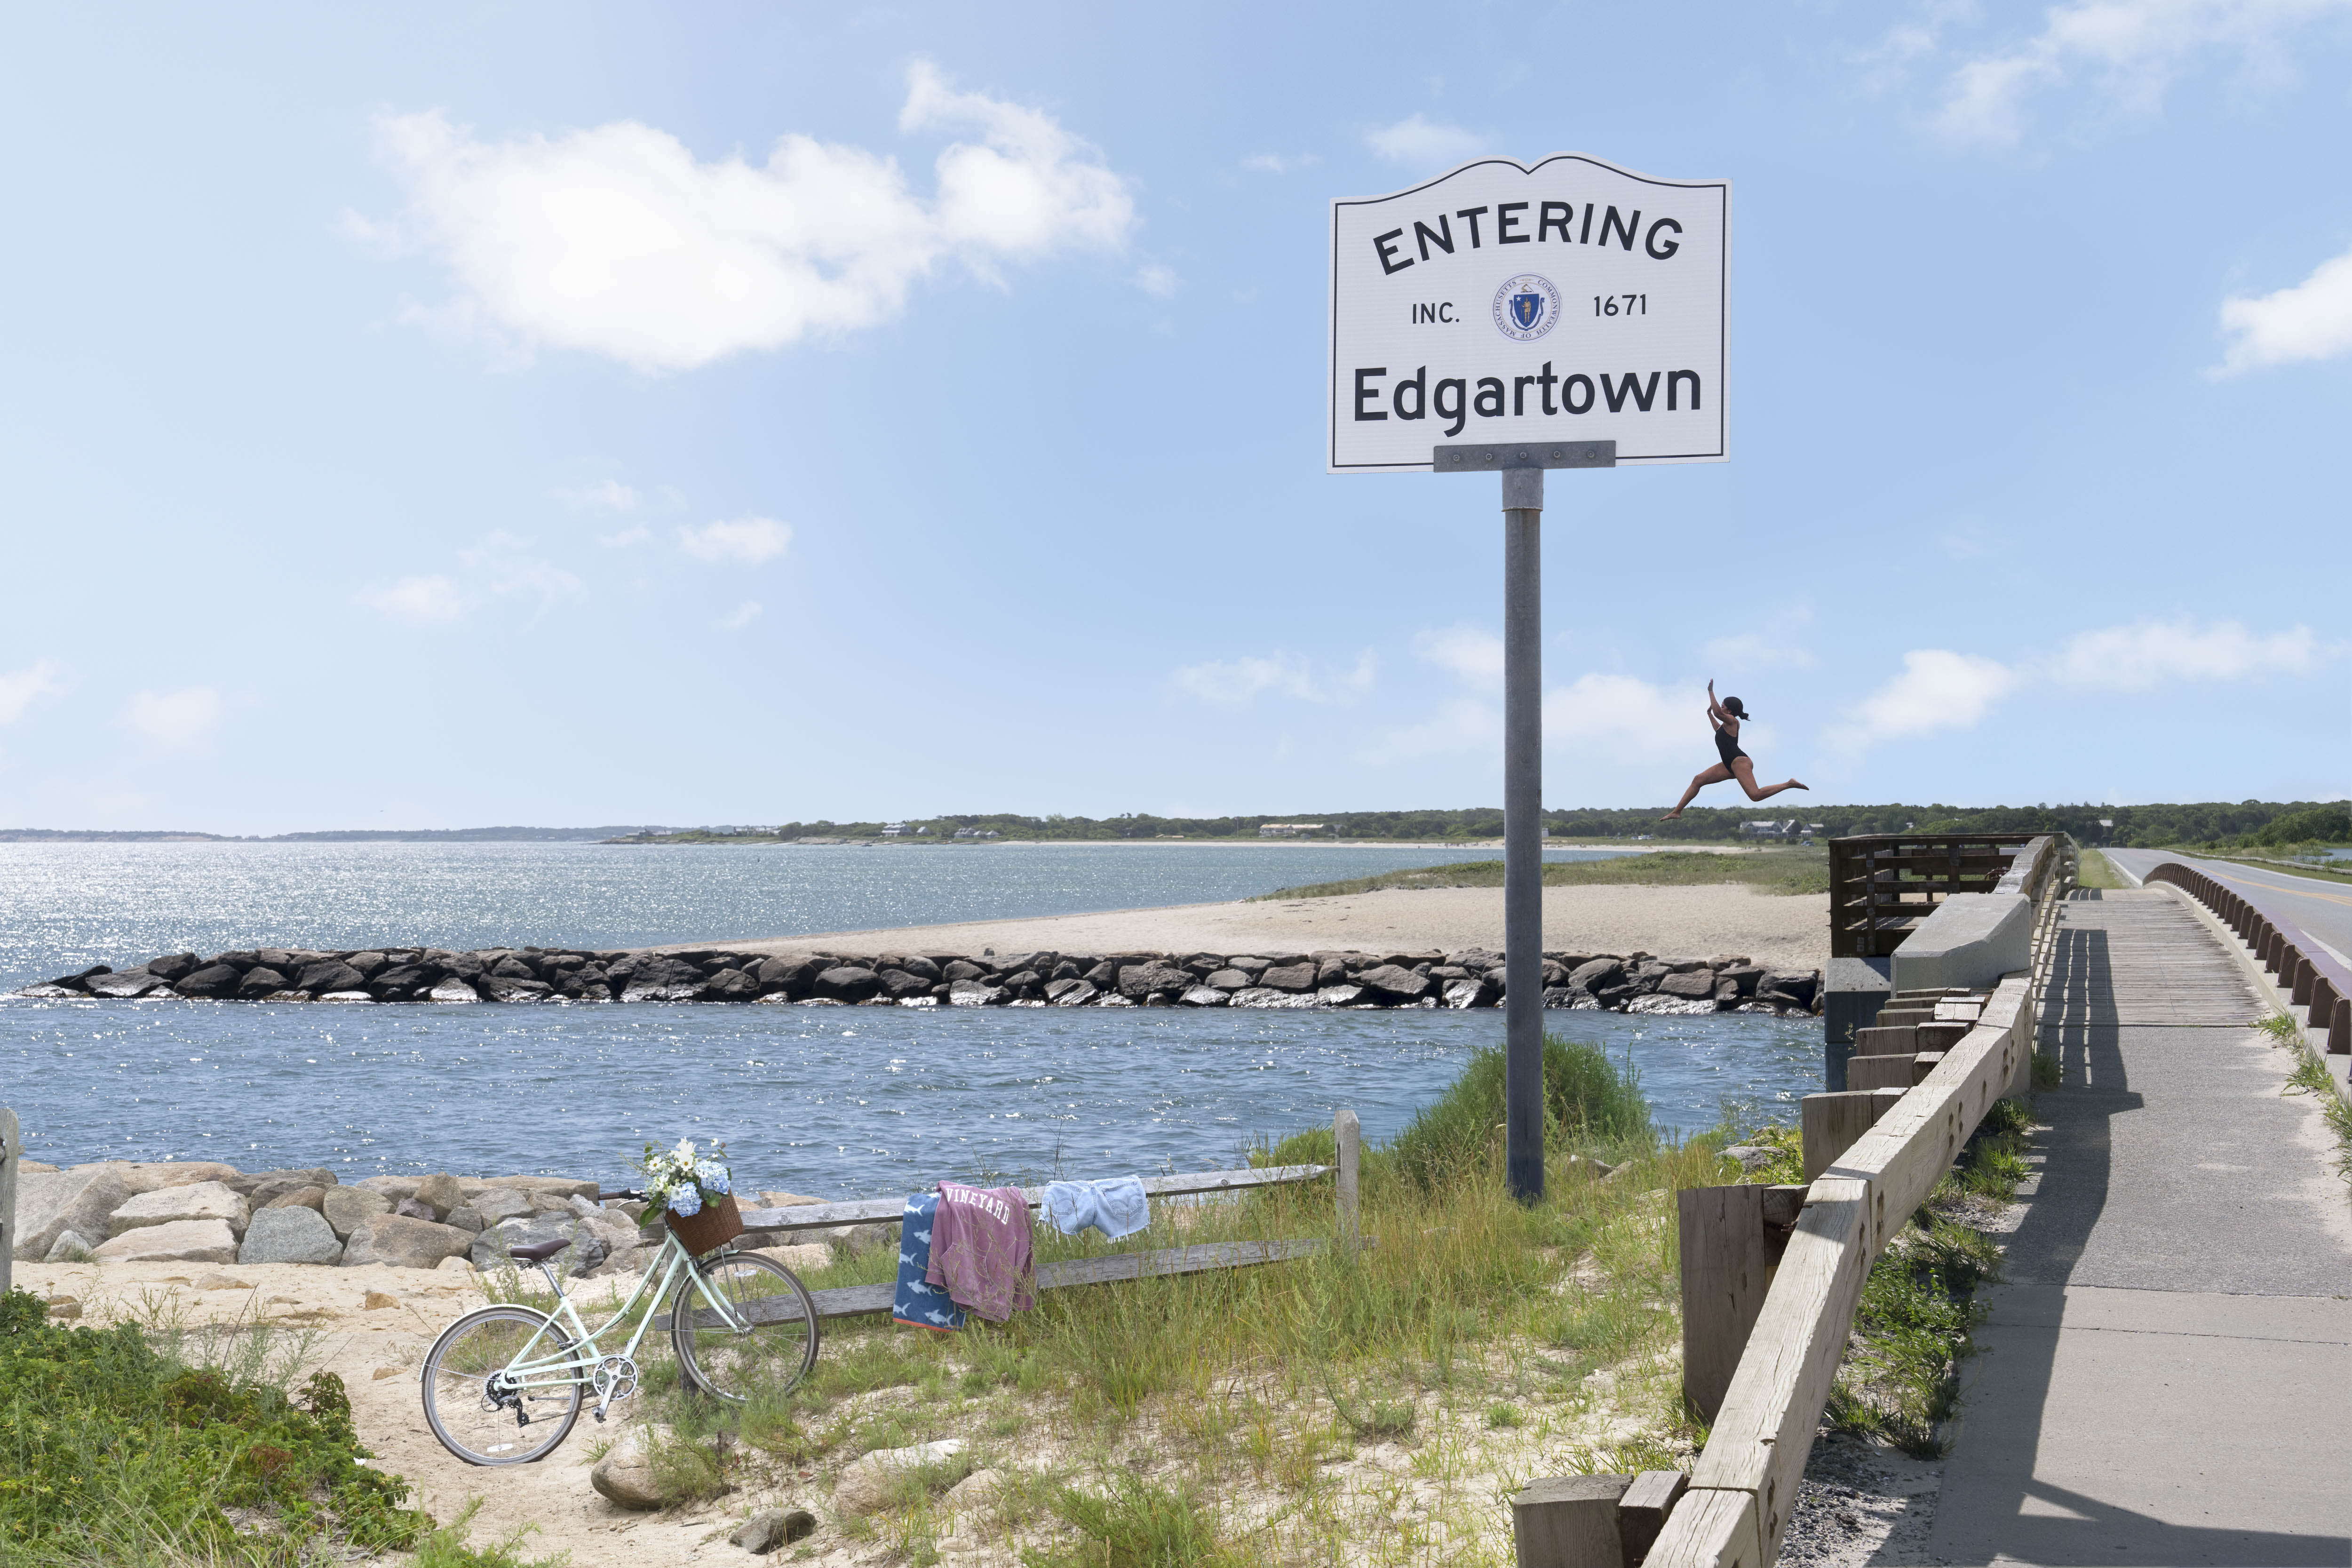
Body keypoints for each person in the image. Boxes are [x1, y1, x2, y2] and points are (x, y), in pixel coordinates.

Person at [1662, 681, 1808, 820]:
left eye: (1723, 706)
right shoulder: (1726, 726)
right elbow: (1718, 729)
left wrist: (1710, 691)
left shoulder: (1733, 721)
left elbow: (1719, 713)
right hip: (1729, 764)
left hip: (1739, 762)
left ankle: (1789, 784)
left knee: (1755, 795)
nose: (1720, 708)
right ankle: (1677, 812)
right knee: (1698, 780)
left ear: (1730, 711)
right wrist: (1709, 715)